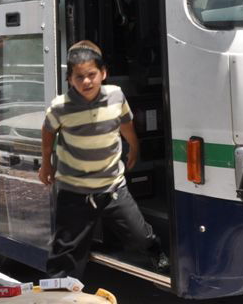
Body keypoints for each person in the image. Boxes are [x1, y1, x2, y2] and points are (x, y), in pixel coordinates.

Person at [38, 41, 165, 278]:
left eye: (91, 75)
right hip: (74, 192)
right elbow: (47, 132)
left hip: (112, 188)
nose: (86, 81)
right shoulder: (60, 107)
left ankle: (158, 256)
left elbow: (125, 123)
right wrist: (46, 162)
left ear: (103, 73)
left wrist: (134, 146)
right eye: (79, 77)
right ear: (69, 79)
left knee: (140, 235)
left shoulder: (116, 95)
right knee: (65, 254)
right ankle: (59, 295)